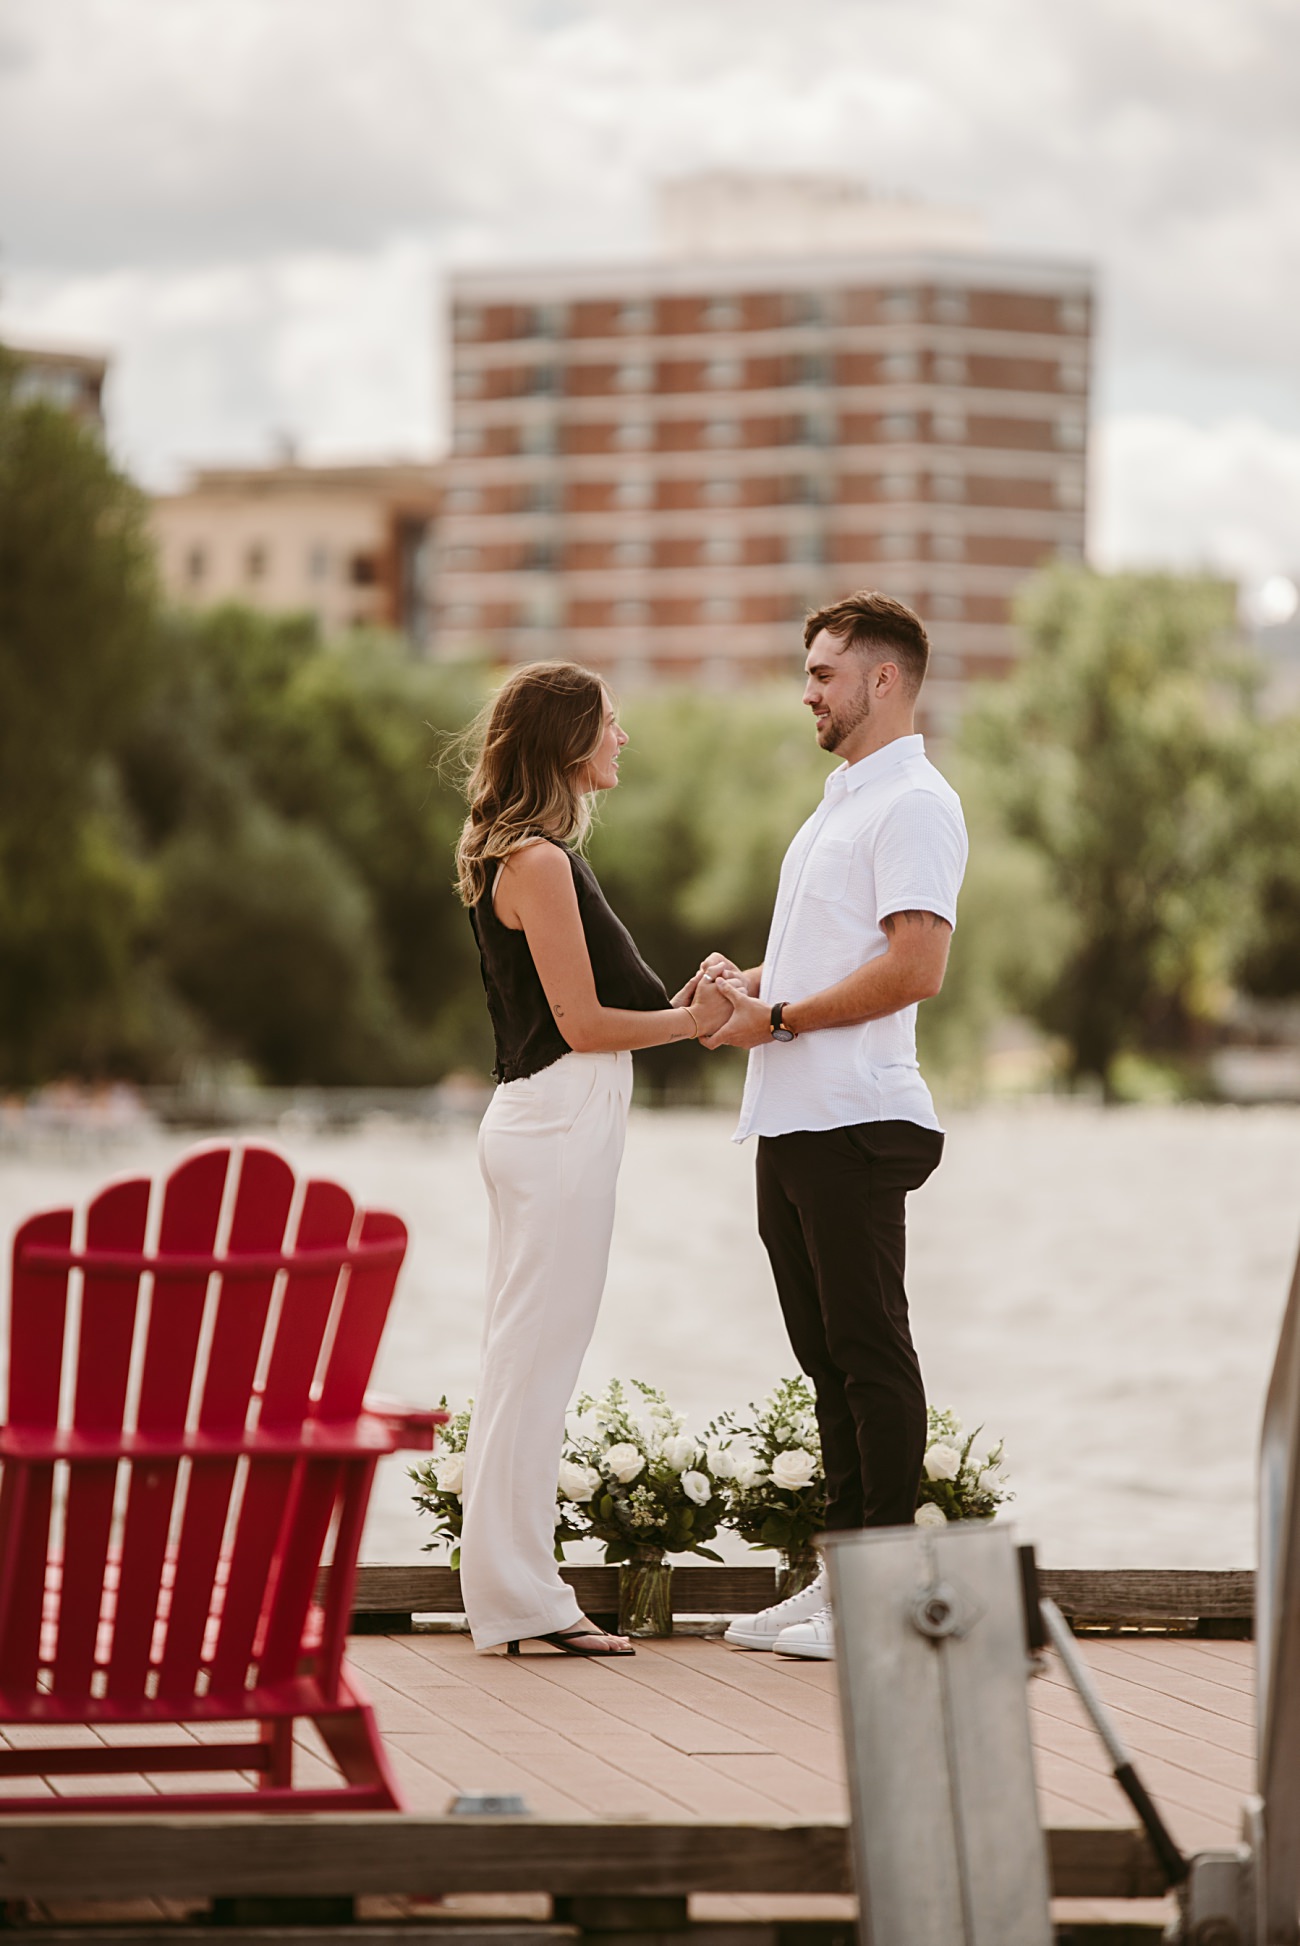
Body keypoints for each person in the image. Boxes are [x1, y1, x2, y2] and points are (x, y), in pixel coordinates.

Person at [698, 591, 968, 1662]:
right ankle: (836, 1581)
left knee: (869, 1354)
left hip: (857, 1119)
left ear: (882, 680)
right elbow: (825, 957)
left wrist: (778, 1016)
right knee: (826, 1361)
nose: (805, 689)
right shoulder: (841, 802)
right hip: (794, 1119)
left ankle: (874, 1597)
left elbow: (916, 964)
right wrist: (743, 984)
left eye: (822, 672)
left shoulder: (913, 803)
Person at [453, 661, 733, 1657]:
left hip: (552, 1122)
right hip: (556, 1121)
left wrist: (692, 1002)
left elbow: (616, 1006)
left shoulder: (527, 857)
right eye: (611, 723)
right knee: (532, 1362)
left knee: (527, 1358)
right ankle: (519, 1595)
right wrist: (690, 1022)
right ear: (569, 742)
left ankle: (512, 1586)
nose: (624, 738)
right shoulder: (537, 863)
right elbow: (579, 1023)